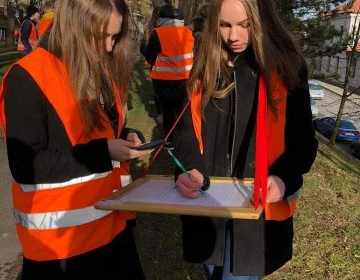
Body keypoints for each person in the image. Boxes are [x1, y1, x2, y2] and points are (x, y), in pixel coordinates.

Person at [0, 0, 152, 279]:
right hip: (60, 247)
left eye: (115, 37)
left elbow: (107, 129)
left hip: (112, 227)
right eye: (99, 37)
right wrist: (104, 151)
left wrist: (127, 137)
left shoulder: (101, 68)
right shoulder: (28, 77)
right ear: (72, 26)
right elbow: (26, 165)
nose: (108, 47)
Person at [174, 0, 318, 279]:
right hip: (207, 209)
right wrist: (189, 167)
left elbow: (304, 142)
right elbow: (185, 130)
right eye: (224, 25)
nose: (233, 37)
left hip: (255, 217)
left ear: (263, 21)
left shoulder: (287, 67)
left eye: (244, 25)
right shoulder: (204, 66)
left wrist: (282, 178)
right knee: (211, 269)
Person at [145, 4, 194, 141]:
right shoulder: (188, 31)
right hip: (185, 79)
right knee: (181, 109)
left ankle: (169, 141)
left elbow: (150, 58)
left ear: (161, 19)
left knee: (167, 111)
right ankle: (184, 139)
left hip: (164, 80)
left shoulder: (158, 33)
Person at [140, 6, 163, 125]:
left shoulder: (150, 30)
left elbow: (142, 48)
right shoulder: (155, 30)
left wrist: (151, 56)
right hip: (167, 66)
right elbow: (143, 47)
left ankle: (160, 114)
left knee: (157, 90)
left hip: (156, 67)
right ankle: (162, 114)